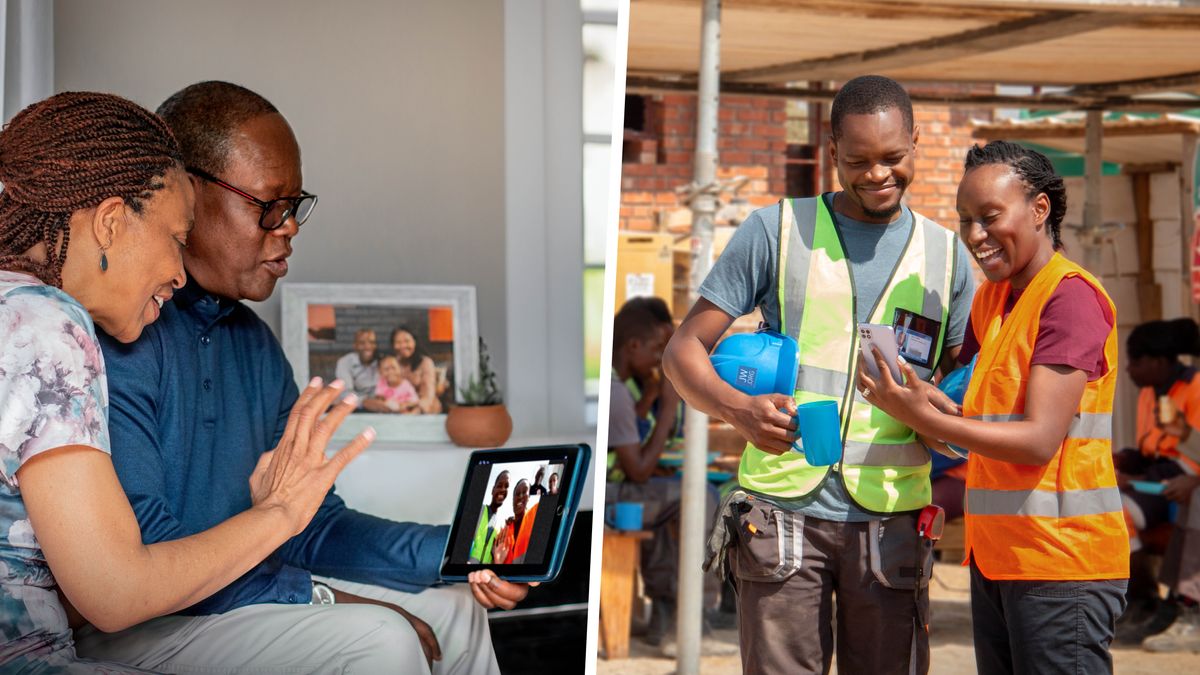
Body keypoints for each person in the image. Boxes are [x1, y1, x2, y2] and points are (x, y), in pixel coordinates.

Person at [79, 81, 528, 674]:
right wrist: (324, 596)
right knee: (381, 637)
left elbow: (312, 528)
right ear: (187, 194)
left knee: (457, 608)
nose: (289, 226)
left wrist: (460, 553)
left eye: (295, 206)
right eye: (269, 205)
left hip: (239, 594)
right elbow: (149, 553)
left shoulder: (255, 345)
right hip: (147, 617)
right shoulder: (121, 331)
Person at [0, 92, 368, 672]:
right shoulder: (47, 325)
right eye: (176, 239)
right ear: (111, 222)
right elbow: (116, 595)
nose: (179, 273)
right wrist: (279, 513)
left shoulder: (14, 311)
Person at [663, 75, 974, 674]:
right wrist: (736, 409)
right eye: (857, 161)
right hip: (781, 512)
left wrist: (941, 419)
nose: (877, 174)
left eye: (892, 156)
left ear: (916, 141)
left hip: (892, 518)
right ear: (832, 151)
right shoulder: (777, 230)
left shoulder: (946, 256)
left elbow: (962, 387)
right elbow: (683, 351)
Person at [862, 140, 1128, 674]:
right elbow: (973, 424)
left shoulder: (1071, 299)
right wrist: (920, 400)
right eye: (966, 220)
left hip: (1061, 565)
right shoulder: (993, 299)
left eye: (989, 217)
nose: (975, 235)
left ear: (1039, 209)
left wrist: (923, 416)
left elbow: (1038, 440)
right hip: (997, 559)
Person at [608, 297, 719, 648]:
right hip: (613, 497)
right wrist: (669, 407)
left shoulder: (625, 386)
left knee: (666, 505)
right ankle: (695, 610)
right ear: (633, 346)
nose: (660, 359)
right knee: (700, 497)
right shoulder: (617, 392)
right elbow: (638, 471)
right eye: (657, 349)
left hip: (619, 489)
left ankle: (664, 609)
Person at [1115, 318, 1200, 644]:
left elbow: (1187, 455)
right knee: (1111, 508)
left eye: (1136, 362)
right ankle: (1149, 601)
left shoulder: (1194, 386)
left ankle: (1171, 603)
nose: (1129, 370)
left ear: (1159, 362)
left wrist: (1193, 477)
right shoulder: (1152, 393)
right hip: (1162, 474)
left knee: (1122, 512)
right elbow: (1151, 449)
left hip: (1183, 478)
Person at [391, 326, 443, 414]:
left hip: (424, 409)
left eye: (407, 341)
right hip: (399, 409)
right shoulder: (392, 363)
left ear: (414, 342)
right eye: (398, 342)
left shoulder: (425, 362)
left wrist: (413, 413)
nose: (403, 346)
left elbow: (428, 395)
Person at [469, 471, 509, 564]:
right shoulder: (478, 510)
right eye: (499, 486)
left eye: (506, 486)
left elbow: (496, 556)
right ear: (493, 490)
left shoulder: (502, 525)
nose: (503, 489)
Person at [496, 479, 538, 564]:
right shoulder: (503, 533)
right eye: (517, 494)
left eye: (524, 492)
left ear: (529, 497)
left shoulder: (535, 515)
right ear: (512, 500)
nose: (520, 496)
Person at [335, 328, 380, 404]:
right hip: (354, 406)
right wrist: (365, 402)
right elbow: (345, 394)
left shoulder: (381, 362)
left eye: (372, 342)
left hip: (380, 404)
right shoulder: (345, 362)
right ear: (355, 346)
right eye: (362, 343)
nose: (368, 346)